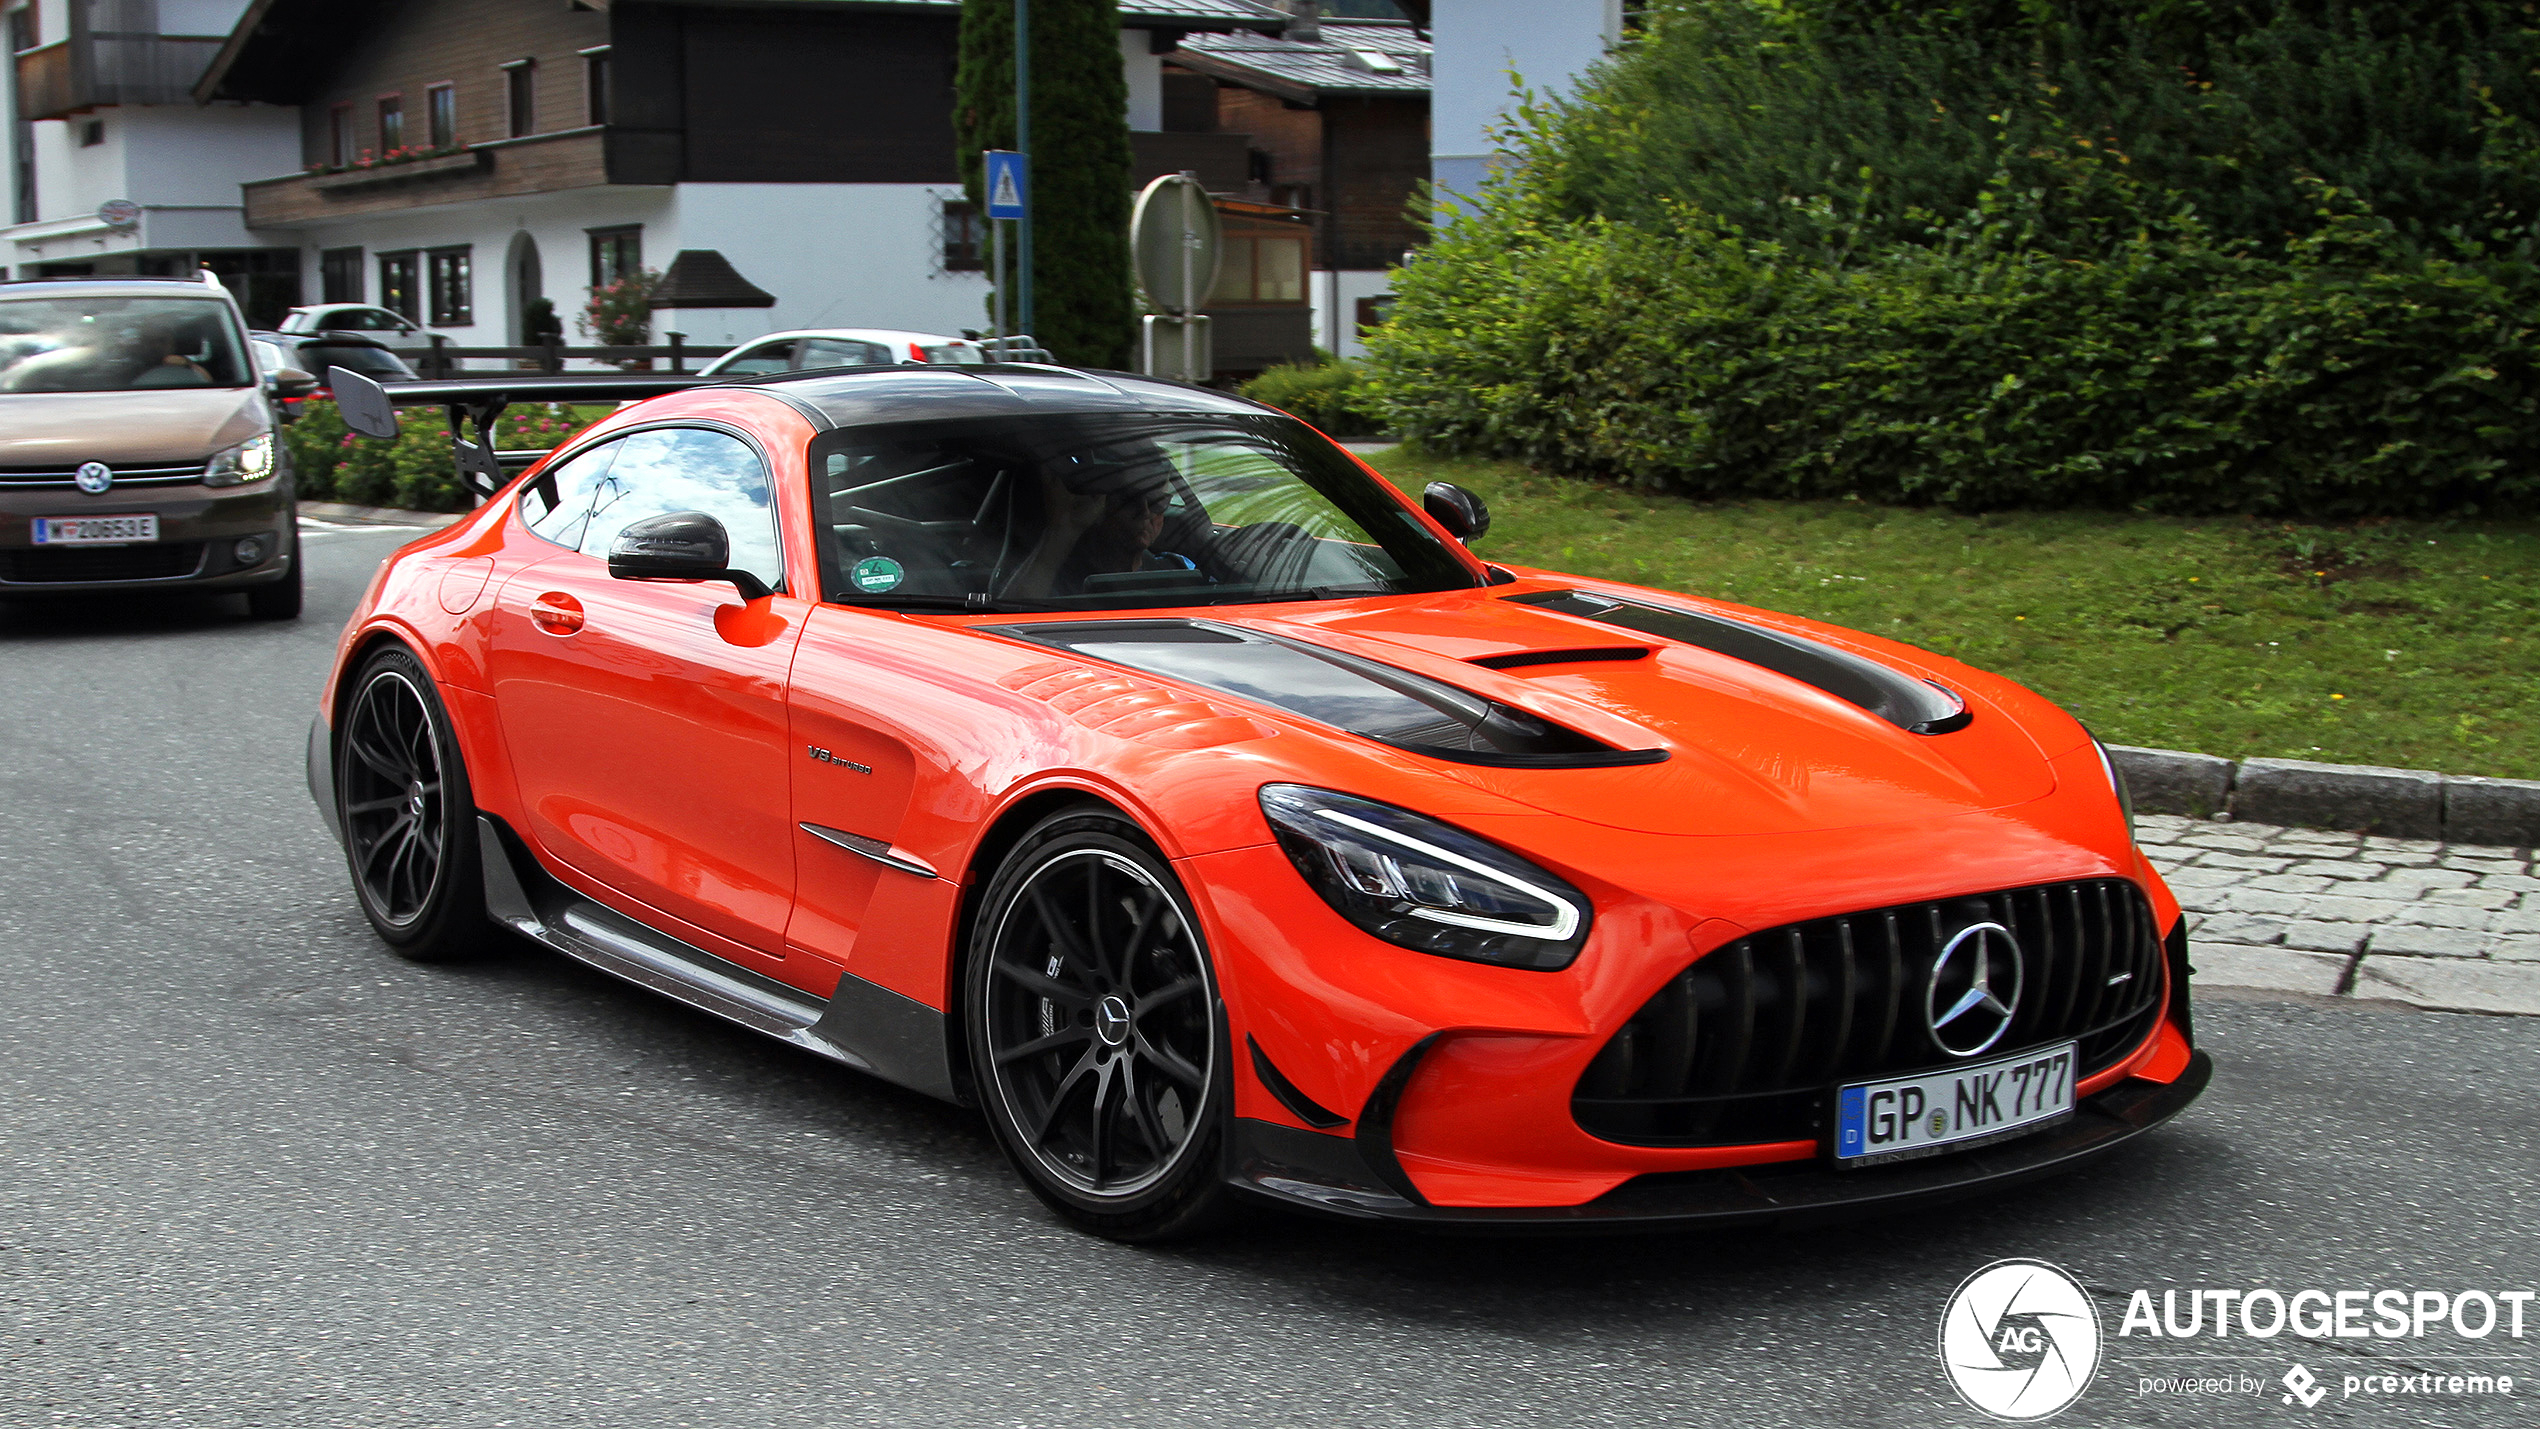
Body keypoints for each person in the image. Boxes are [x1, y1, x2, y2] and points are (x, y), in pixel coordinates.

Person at [1002, 464, 1198, 597]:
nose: (1145, 513)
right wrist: (1063, 529)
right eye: (1131, 501)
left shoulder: (1180, 568)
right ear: (1102, 508)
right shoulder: (1056, 577)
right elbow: (1011, 612)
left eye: (1157, 502)